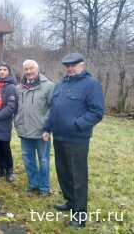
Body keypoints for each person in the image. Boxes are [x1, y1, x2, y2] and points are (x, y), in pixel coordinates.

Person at [44, 53, 104, 229]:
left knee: (77, 176)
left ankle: (79, 215)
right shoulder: (61, 84)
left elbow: (97, 112)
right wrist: (47, 128)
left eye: (74, 65)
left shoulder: (91, 84)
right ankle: (70, 202)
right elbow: (54, 108)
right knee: (63, 172)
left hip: (77, 139)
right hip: (59, 137)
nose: (70, 68)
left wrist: (77, 125)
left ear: (82, 65)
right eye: (67, 65)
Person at [14, 60, 54, 196]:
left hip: (41, 131)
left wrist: (47, 128)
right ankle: (33, 183)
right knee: (28, 158)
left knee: (43, 160)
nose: (29, 71)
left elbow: (53, 108)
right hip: (24, 130)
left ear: (37, 69)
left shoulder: (48, 86)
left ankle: (44, 187)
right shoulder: (19, 88)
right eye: (26, 69)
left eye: (31, 68)